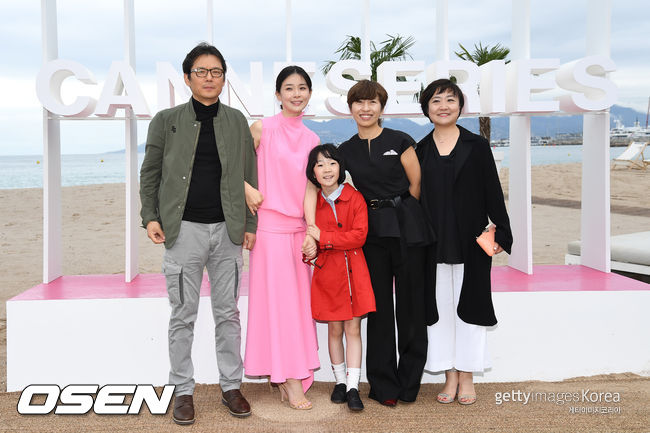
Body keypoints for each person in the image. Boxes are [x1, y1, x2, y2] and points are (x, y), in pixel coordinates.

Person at [139, 43, 257, 424]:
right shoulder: (166, 120)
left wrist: (249, 225)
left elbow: (249, 175)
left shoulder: (236, 121)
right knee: (182, 315)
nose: (209, 78)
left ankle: (231, 386)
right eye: (201, 71)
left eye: (216, 72)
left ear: (224, 79)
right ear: (187, 78)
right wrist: (150, 216)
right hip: (183, 231)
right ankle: (182, 391)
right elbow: (150, 173)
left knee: (228, 314)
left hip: (227, 231)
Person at [305, 80, 430, 406]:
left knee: (410, 307)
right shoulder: (345, 150)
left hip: (406, 228)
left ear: (381, 107)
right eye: (359, 102)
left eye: (372, 102)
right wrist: (311, 228)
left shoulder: (400, 140)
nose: (365, 108)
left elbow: (416, 184)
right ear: (350, 109)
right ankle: (384, 386)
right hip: (369, 236)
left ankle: (409, 384)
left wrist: (400, 212)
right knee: (378, 311)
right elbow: (316, 183)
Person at [416, 78, 513, 405]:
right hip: (432, 244)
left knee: (471, 309)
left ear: (460, 106)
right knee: (438, 312)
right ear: (426, 108)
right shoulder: (419, 150)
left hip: (472, 242)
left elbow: (493, 192)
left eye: (450, 99)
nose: (443, 106)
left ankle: (467, 374)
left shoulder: (477, 146)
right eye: (435, 100)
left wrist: (502, 231)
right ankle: (449, 374)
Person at [243, 65, 320, 410]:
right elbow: (232, 165)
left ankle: (285, 374)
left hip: (298, 232)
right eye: (289, 88)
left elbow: (310, 189)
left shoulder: (312, 139)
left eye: (302, 87)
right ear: (278, 94)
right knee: (279, 307)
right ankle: (290, 380)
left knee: (298, 308)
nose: (296, 94)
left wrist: (312, 230)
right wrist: (246, 188)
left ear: (310, 93)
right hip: (268, 231)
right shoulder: (262, 128)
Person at [305, 144, 376, 412]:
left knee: (353, 330)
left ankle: (354, 386)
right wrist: (311, 247)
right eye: (320, 164)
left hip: (354, 273)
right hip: (328, 276)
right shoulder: (312, 204)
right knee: (334, 330)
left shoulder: (355, 197)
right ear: (312, 171)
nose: (327, 169)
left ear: (341, 167)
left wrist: (325, 238)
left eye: (332, 163)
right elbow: (310, 241)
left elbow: (359, 236)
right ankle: (340, 382)